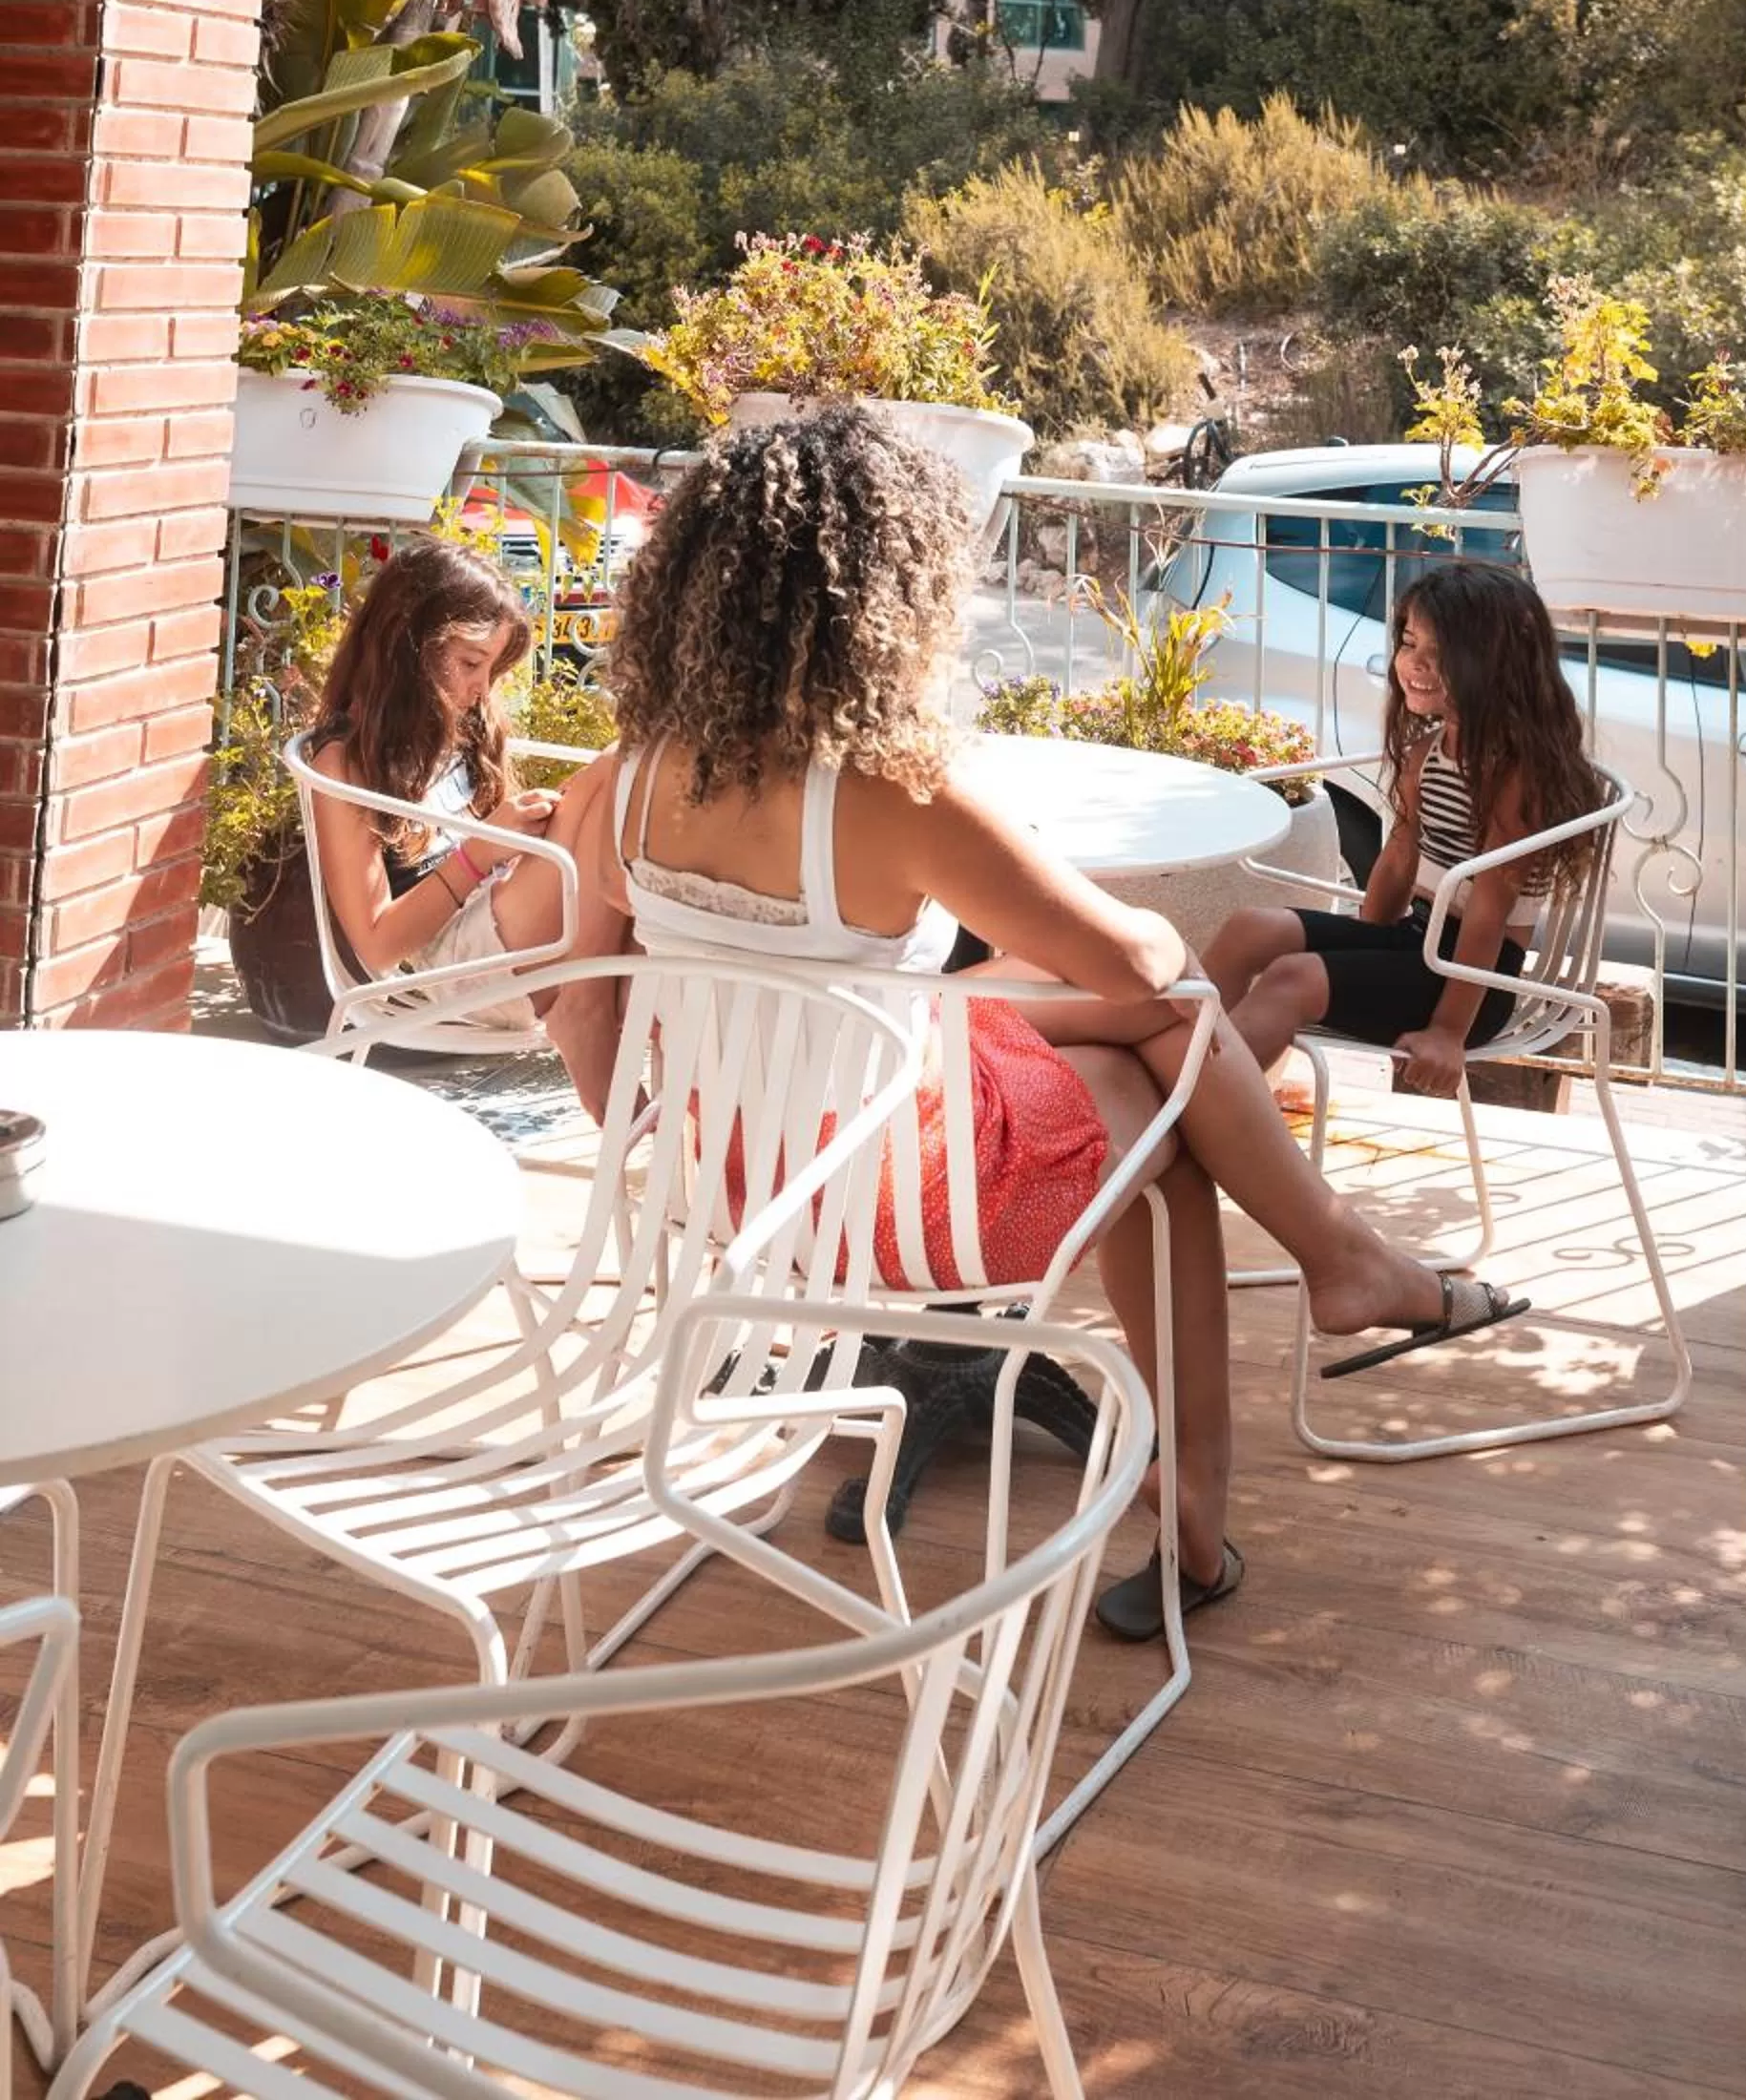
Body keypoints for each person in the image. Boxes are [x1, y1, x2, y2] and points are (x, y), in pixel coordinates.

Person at [550, 410, 1527, 1643]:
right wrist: (1163, 948)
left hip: (735, 1191)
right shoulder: (893, 790)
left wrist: (675, 1149)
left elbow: (586, 1011)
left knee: (1145, 1047)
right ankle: (1222, 1476)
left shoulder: (614, 780)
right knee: (1168, 1072)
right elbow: (1136, 955)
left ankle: (1333, 1287)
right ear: (883, 597)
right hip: (907, 1206)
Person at [1205, 560, 1604, 1102]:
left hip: (1474, 985)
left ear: (1494, 664)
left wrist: (1448, 1032)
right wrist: (1361, 950)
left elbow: (1488, 908)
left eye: (1439, 654)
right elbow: (1398, 856)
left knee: (1291, 981)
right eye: (1410, 644)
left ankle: (1205, 1119)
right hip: (1417, 945)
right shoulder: (1430, 752)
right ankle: (1189, 1083)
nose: (1413, 664)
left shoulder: (1514, 774)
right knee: (1249, 929)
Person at [301, 536, 625, 1107]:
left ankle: (684, 1114)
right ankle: (588, 1014)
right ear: (407, 645)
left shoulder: (455, 731)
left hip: (500, 921)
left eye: (491, 668)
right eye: (471, 663)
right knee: (618, 766)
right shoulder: (347, 758)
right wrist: (480, 852)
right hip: (444, 968)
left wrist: (523, 830)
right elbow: (376, 945)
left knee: (664, 937)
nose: (482, 688)